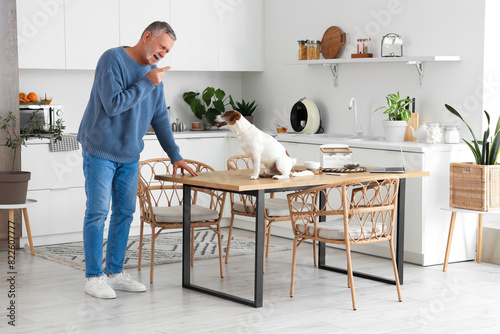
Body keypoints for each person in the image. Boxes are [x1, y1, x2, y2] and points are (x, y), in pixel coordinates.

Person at [77, 21, 197, 299]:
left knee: (125, 213)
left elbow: (160, 119)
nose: (164, 54)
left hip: (129, 154)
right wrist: (147, 82)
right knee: (97, 213)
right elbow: (113, 104)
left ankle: (115, 273)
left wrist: (175, 156)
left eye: (168, 51)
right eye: (162, 47)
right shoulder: (113, 59)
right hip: (100, 150)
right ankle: (93, 278)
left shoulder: (154, 75)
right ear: (147, 37)